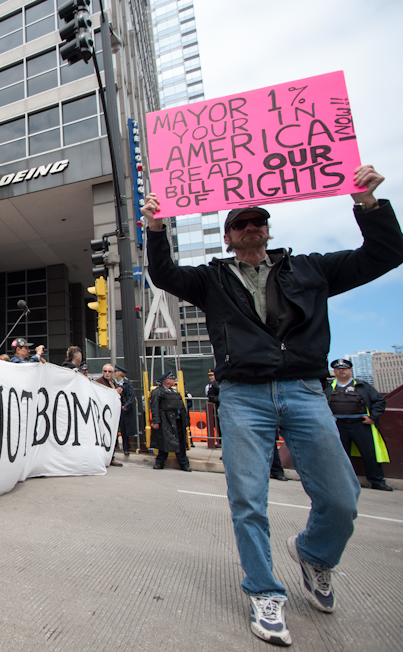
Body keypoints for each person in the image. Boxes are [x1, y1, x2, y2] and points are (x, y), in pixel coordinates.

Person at [141, 164, 403, 646]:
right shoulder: (210, 279)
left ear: (267, 228)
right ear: (228, 235)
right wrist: (155, 226)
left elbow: (385, 253)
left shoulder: (309, 268)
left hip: (304, 390)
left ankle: (314, 556)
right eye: (241, 223)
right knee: (248, 500)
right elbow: (163, 272)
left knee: (342, 497)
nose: (251, 227)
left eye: (258, 220)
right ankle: (264, 591)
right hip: (243, 395)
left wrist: (367, 202)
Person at [326, 358, 391, 491]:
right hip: (338, 425)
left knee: (369, 454)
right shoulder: (329, 387)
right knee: (340, 455)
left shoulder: (362, 386)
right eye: (338, 369)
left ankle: (377, 481)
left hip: (360, 425)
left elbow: (379, 401)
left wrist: (373, 417)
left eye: (344, 368)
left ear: (350, 371)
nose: (341, 370)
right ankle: (343, 482)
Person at [149, 371, 191, 472]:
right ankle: (160, 462)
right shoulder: (157, 392)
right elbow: (154, 407)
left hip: (177, 420)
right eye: (172, 379)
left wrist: (185, 420)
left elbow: (182, 407)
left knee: (180, 443)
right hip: (165, 420)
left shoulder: (175, 392)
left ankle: (183, 463)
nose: (174, 381)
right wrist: (156, 421)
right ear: (167, 381)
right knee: (164, 442)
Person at [96, 364, 124, 467]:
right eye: (105, 371)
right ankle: (104, 458)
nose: (107, 373)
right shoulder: (98, 382)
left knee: (113, 436)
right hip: (103, 414)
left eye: (109, 371)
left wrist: (119, 392)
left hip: (112, 415)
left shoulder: (113, 383)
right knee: (104, 436)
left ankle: (111, 457)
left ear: (113, 373)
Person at [115, 366, 138, 456]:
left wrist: (126, 406)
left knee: (124, 429)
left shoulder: (127, 383)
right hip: (116, 408)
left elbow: (131, 396)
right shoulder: (114, 383)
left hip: (124, 409)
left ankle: (126, 448)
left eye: (116, 372)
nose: (114, 373)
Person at [206, 370, 222, 450]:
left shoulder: (224, 382)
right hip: (218, 407)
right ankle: (220, 441)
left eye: (212, 375)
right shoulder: (215, 384)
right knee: (218, 425)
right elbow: (210, 395)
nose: (210, 377)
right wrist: (220, 399)